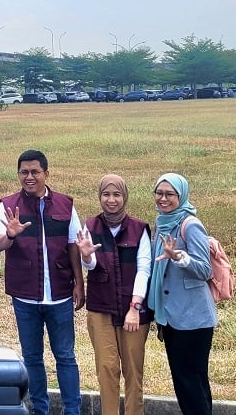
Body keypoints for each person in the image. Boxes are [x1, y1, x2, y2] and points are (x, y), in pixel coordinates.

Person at [0, 149, 84, 415]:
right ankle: (39, 409)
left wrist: (80, 283)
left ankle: (72, 409)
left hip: (60, 294)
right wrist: (10, 234)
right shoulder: (9, 205)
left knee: (65, 356)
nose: (29, 177)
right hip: (25, 296)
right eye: (24, 172)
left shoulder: (66, 204)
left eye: (35, 172)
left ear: (46, 173)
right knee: (32, 357)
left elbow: (73, 245)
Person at [76, 174, 151, 415]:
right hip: (101, 308)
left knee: (133, 370)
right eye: (106, 194)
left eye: (116, 194)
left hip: (133, 311)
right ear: (99, 197)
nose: (111, 200)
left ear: (125, 196)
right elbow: (91, 265)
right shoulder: (90, 226)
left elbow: (144, 270)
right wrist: (86, 256)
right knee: (106, 369)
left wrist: (134, 308)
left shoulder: (139, 229)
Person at [147, 173, 217, 414]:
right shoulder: (162, 222)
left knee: (191, 383)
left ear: (181, 196)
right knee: (187, 382)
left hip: (193, 319)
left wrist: (179, 257)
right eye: (159, 193)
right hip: (172, 317)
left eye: (170, 194)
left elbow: (205, 269)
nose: (163, 199)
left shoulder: (190, 224)